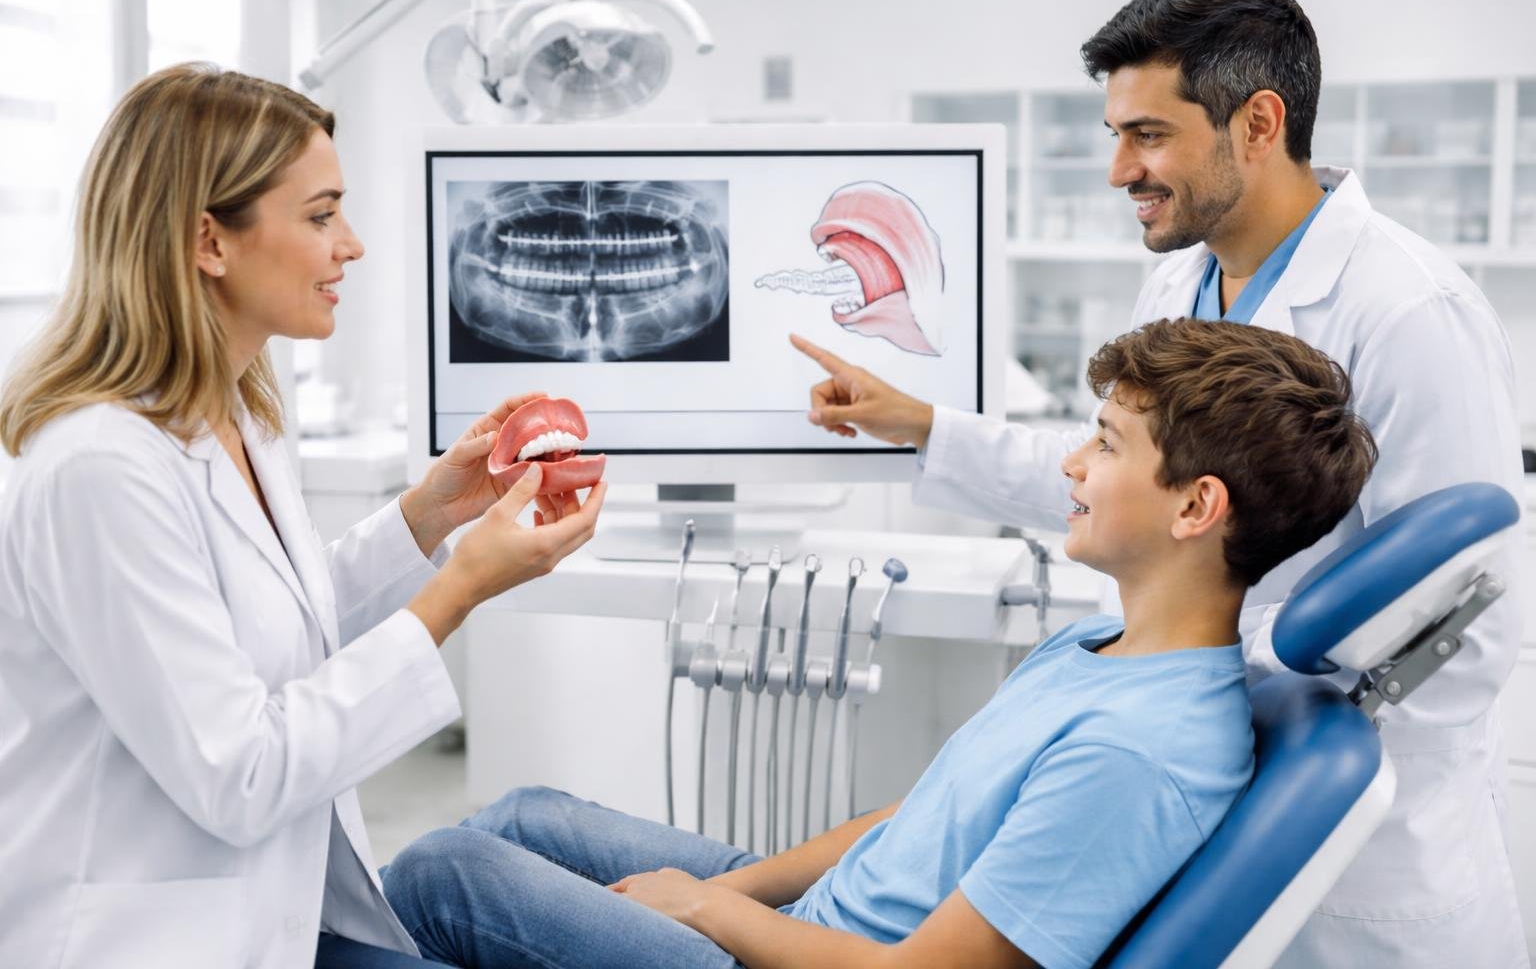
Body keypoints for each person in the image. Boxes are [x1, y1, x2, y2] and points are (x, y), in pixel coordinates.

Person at [791, 0, 1528, 967]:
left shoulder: (1408, 311)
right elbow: (1132, 475)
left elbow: (1465, 627)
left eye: (1148, 134)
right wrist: (924, 426)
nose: (1118, 170)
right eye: (1114, 134)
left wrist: (1215, 676)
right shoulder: (1184, 275)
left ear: (1258, 123)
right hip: (1208, 796)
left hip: (1361, 864)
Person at [376, 317, 1378, 969]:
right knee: (521, 815)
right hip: (825, 920)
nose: (1071, 462)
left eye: (1107, 444)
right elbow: (920, 815)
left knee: (443, 870)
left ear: (1197, 505)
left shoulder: (1143, 750)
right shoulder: (1100, 648)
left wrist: (710, 916)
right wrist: (720, 889)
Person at [0, 64, 606, 967]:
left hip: (272, 916)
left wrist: (431, 513)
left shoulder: (239, 410)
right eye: (321, 216)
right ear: (210, 241)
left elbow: (279, 624)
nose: (351, 246)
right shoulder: (101, 469)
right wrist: (460, 593)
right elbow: (238, 773)